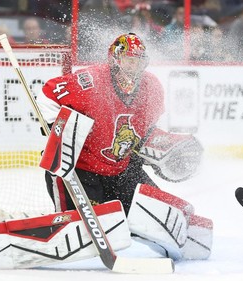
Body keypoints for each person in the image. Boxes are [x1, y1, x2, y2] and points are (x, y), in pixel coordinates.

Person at [37, 33, 212, 260]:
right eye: (129, 59)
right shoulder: (91, 81)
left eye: (139, 60)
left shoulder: (152, 88)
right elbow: (48, 94)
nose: (134, 65)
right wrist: (58, 129)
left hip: (121, 170)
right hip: (81, 172)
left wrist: (165, 149)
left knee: (157, 213)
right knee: (90, 230)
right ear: (114, 58)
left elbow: (145, 133)